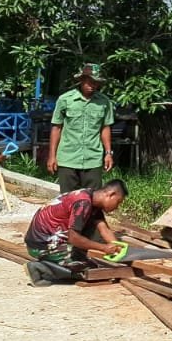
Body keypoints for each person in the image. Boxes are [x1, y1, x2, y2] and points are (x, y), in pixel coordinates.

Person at [23, 179, 128, 285]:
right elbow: (74, 238)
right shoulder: (83, 203)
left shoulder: (91, 197)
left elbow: (103, 228)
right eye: (118, 202)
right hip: (41, 245)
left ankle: (54, 262)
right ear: (111, 194)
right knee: (89, 270)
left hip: (45, 240)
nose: (117, 207)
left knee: (89, 262)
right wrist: (104, 248)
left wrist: (118, 247)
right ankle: (40, 268)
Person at [47, 63, 115, 194]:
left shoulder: (104, 102)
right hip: (68, 159)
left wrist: (108, 153)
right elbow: (56, 128)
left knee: (92, 200)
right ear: (81, 80)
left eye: (96, 82)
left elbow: (105, 128)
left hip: (93, 159)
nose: (92, 85)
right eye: (89, 81)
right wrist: (52, 156)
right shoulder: (65, 100)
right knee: (67, 200)